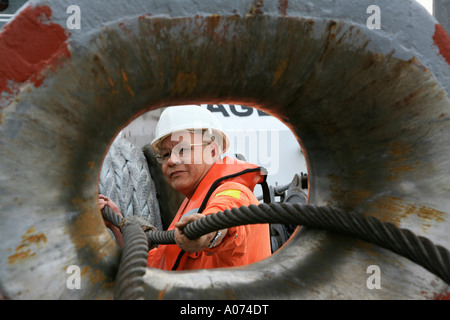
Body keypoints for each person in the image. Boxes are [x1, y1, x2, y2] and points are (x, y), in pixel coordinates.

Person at [100, 105, 271, 271]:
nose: (172, 161)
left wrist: (206, 231)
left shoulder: (234, 193)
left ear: (212, 151)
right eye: (166, 154)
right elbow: (155, 268)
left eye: (182, 150)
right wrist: (118, 223)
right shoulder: (191, 206)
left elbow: (226, 216)